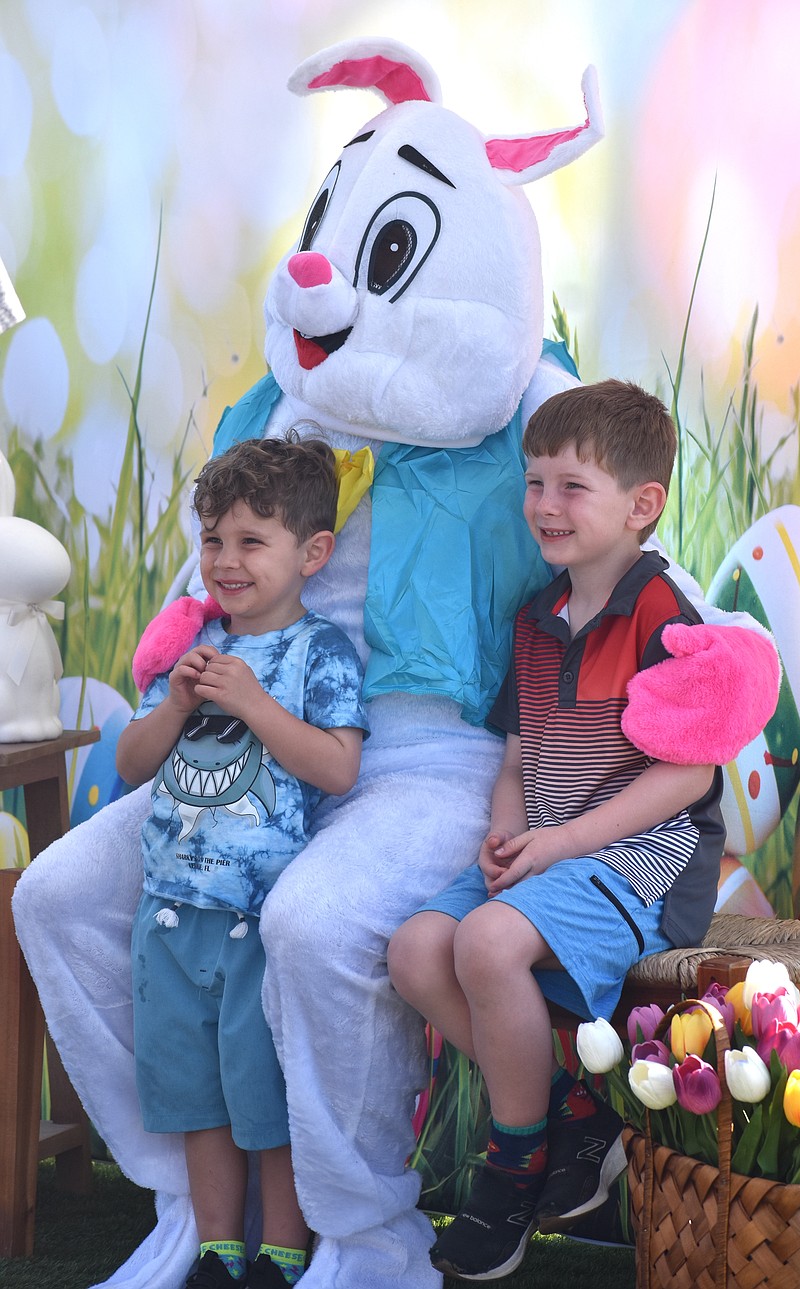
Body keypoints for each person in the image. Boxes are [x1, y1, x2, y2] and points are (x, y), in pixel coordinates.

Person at [388, 380, 726, 1282]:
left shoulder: (666, 617)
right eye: (535, 482)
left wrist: (559, 846)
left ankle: (514, 1163)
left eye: (571, 485)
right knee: (419, 949)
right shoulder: (535, 621)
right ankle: (577, 1105)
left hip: (641, 861)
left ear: (642, 504)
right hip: (544, 851)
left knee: (489, 941)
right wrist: (509, 835)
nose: (544, 504)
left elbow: (689, 772)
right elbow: (517, 756)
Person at [116, 436, 370, 1289]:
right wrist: (177, 699)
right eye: (213, 539)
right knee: (196, 1096)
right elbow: (131, 762)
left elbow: (337, 767)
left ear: (313, 552)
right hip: (168, 915)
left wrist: (255, 703)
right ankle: (219, 1249)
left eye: (251, 541)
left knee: (264, 1093)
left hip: (255, 917)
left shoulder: (319, 652)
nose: (225, 561)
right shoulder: (194, 649)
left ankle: (283, 1249)